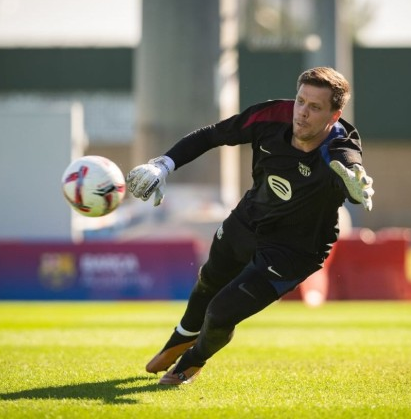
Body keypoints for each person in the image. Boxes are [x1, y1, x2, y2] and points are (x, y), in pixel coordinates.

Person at [126, 67, 374, 385]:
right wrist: (164, 164)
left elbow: (353, 171)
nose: (302, 113)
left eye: (315, 107)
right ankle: (181, 337)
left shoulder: (339, 149)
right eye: (301, 101)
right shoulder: (272, 116)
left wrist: (356, 186)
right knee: (208, 281)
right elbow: (212, 135)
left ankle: (192, 361)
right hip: (249, 220)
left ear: (334, 115)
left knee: (220, 312)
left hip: (294, 250)